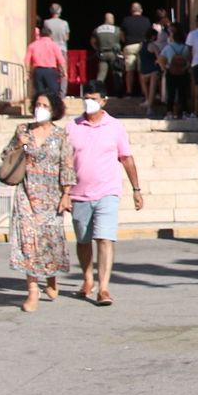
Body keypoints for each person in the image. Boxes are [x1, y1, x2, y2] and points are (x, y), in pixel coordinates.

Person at [66, 82, 142, 307]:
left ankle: (104, 287)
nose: (89, 102)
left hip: (107, 191)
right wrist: (63, 192)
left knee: (105, 238)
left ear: (103, 101)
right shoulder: (72, 126)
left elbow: (126, 158)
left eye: (94, 98)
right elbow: (65, 161)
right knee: (83, 239)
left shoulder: (115, 127)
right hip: (79, 193)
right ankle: (87, 278)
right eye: (86, 98)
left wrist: (136, 190)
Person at [1, 92, 73, 313]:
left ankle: (50, 276)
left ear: (54, 110)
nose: (39, 108)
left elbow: (67, 165)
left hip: (51, 195)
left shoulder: (60, 136)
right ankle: (32, 289)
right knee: (28, 240)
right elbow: (5, 155)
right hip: (26, 191)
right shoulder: (23, 131)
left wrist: (66, 194)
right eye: (37, 104)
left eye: (44, 105)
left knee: (48, 240)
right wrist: (17, 146)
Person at [159, 25, 192, 120]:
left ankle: (169, 112)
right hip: (183, 73)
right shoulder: (186, 48)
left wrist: (165, 68)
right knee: (183, 93)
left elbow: (161, 59)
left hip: (171, 72)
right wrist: (185, 68)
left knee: (171, 93)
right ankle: (184, 112)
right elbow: (189, 61)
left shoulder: (168, 47)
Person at [120, 3, 152, 97]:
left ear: (131, 10)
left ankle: (129, 91)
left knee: (129, 70)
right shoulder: (146, 20)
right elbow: (149, 35)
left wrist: (124, 42)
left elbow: (121, 35)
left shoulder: (126, 20)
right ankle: (143, 92)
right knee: (141, 70)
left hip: (129, 46)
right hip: (142, 46)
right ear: (141, 10)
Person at [25, 28, 65, 103]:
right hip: (50, 71)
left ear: (40, 35)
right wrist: (64, 71)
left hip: (38, 71)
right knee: (53, 93)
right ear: (50, 35)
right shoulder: (54, 45)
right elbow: (61, 60)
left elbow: (27, 60)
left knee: (39, 93)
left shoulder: (33, 45)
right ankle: (54, 109)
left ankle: (39, 109)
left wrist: (28, 72)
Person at [90, 12, 124, 92]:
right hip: (114, 54)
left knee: (101, 74)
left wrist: (97, 49)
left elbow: (92, 42)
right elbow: (123, 39)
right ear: (111, 19)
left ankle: (97, 91)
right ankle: (118, 93)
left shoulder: (97, 29)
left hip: (102, 53)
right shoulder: (117, 29)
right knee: (117, 73)